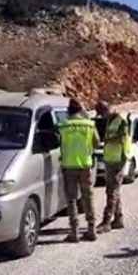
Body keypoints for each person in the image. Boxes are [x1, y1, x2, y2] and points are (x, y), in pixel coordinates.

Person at [57, 98, 100, 242]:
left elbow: (57, 142)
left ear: (68, 111)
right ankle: (91, 229)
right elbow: (97, 142)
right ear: (80, 110)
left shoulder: (63, 125)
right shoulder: (89, 125)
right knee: (88, 197)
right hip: (85, 166)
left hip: (69, 166)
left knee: (72, 199)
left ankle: (74, 232)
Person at [95, 100, 132, 233]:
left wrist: (106, 140)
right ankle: (118, 219)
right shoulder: (110, 121)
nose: (101, 116)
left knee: (112, 191)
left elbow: (121, 138)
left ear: (107, 109)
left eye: (102, 113)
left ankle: (106, 222)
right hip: (110, 160)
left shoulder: (121, 121)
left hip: (118, 160)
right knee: (113, 191)